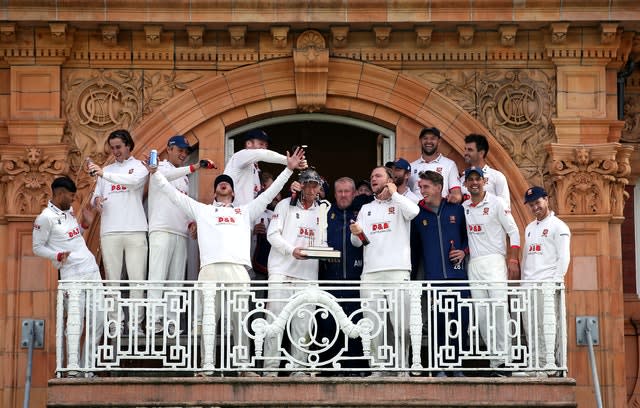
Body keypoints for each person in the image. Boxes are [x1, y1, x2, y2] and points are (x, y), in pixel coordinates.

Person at [147, 147, 306, 376]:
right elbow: (172, 194)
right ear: (214, 193)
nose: (223, 184)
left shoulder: (244, 212)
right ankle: (206, 367)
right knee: (209, 320)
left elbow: (269, 195)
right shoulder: (202, 211)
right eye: (219, 183)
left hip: (238, 271)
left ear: (232, 192)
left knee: (240, 322)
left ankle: (243, 367)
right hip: (210, 271)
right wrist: (155, 173)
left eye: (227, 183)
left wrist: (288, 169)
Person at [349, 166, 419, 376]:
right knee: (372, 322)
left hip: (397, 270)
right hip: (371, 272)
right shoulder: (366, 208)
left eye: (378, 175)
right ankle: (378, 367)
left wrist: (395, 193)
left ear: (390, 180)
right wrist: (356, 233)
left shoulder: (401, 203)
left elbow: (414, 212)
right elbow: (357, 243)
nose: (373, 179)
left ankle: (402, 367)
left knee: (401, 323)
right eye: (371, 176)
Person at [32, 176, 104, 377]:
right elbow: (37, 247)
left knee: (98, 319)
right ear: (60, 194)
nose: (73, 201)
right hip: (72, 275)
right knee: (75, 322)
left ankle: (87, 369)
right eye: (70, 197)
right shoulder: (44, 218)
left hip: (91, 270)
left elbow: (73, 238)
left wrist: (85, 225)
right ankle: (73, 369)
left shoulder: (69, 212)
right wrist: (57, 255)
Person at [146, 135, 216, 335]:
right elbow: (166, 177)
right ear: (169, 149)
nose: (184, 154)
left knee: (176, 281)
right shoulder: (159, 167)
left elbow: (183, 204)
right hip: (161, 228)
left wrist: (191, 221)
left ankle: (172, 321)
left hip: (180, 231)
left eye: (186, 152)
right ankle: (154, 321)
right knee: (157, 278)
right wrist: (195, 167)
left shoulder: (184, 178)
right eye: (180, 150)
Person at [263, 168, 324, 377]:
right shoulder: (284, 204)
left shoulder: (323, 210)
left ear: (319, 188)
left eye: (314, 185)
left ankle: (298, 370)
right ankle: (270, 371)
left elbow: (323, 243)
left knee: (303, 325)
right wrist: (291, 251)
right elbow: (272, 235)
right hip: (281, 271)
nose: (310, 188)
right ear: (300, 185)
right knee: (274, 322)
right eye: (307, 184)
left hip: (307, 275)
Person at [462, 166, 521, 376]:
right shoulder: (464, 206)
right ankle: (495, 361)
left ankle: (507, 359)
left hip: (495, 262)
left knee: (498, 309)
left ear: (484, 181)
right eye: (471, 180)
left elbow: (513, 232)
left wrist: (512, 260)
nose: (474, 183)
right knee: (482, 314)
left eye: (478, 179)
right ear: (466, 184)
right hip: (475, 264)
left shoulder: (497, 203)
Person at [88, 129, 148, 335]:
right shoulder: (106, 169)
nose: (116, 152)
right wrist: (96, 201)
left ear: (128, 146)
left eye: (119, 147)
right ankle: (115, 322)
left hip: (135, 229)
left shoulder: (139, 166)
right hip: (110, 229)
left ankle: (135, 324)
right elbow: (94, 196)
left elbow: (133, 182)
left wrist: (104, 173)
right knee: (112, 279)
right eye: (112, 148)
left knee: (136, 279)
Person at [410, 170, 469, 377]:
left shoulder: (456, 210)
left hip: (458, 277)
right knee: (438, 323)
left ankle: (457, 364)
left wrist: (463, 251)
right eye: (420, 186)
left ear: (438, 187)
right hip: (434, 279)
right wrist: (411, 279)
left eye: (425, 186)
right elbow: (414, 250)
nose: (421, 190)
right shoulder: (418, 215)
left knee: (460, 321)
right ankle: (439, 367)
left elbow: (467, 238)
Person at [318, 177, 371, 375]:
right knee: (330, 324)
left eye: (347, 191)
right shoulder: (326, 214)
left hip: (357, 278)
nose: (342, 195)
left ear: (354, 192)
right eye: (339, 191)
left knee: (357, 323)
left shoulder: (362, 213)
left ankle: (357, 368)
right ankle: (330, 369)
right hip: (330, 279)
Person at [516, 186, 571, 377]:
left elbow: (563, 258)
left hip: (546, 284)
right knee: (530, 326)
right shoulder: (530, 228)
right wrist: (523, 284)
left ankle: (548, 365)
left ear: (546, 200)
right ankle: (535, 364)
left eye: (537, 203)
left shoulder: (559, 226)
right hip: (528, 286)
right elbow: (526, 258)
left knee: (547, 325)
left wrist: (555, 283)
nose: (535, 207)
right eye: (531, 205)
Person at [224, 129, 304, 205]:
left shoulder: (255, 168)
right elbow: (261, 154)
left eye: (266, 145)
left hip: (245, 215)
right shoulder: (240, 156)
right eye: (261, 144)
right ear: (249, 144)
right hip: (232, 214)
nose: (264, 148)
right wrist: (287, 161)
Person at [409, 127, 462, 203]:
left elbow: (457, 195)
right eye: (425, 138)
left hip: (439, 212)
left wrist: (450, 200)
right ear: (420, 141)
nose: (428, 141)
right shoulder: (412, 166)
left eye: (433, 138)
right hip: (416, 212)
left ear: (439, 141)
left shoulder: (449, 164)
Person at [460, 133, 510, 204]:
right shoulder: (462, 179)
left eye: (470, 150)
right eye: (465, 149)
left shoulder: (497, 177)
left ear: (481, 153)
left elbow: (505, 207)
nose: (465, 153)